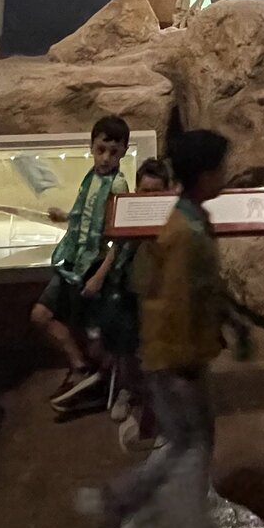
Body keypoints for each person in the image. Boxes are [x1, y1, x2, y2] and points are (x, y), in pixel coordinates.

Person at [81, 128, 234, 528]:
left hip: (174, 354)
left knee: (187, 443)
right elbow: (176, 302)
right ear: (205, 175)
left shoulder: (187, 219)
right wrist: (186, 359)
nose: (225, 174)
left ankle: (117, 501)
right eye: (220, 167)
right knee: (192, 448)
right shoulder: (185, 231)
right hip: (177, 358)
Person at [35, 114, 132, 412]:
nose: (105, 158)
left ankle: (113, 387)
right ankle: (79, 368)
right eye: (100, 149)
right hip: (73, 261)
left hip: (94, 267)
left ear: (123, 153)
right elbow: (88, 214)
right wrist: (65, 216)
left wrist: (100, 276)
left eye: (113, 152)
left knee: (96, 336)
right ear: (91, 146)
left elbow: (121, 237)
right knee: (41, 315)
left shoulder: (118, 186)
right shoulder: (90, 177)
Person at [98, 157, 172, 452]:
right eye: (144, 191)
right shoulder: (126, 218)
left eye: (156, 192)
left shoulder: (172, 224)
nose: (149, 198)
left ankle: (159, 418)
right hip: (129, 294)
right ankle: (130, 391)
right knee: (125, 349)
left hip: (158, 298)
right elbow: (115, 250)